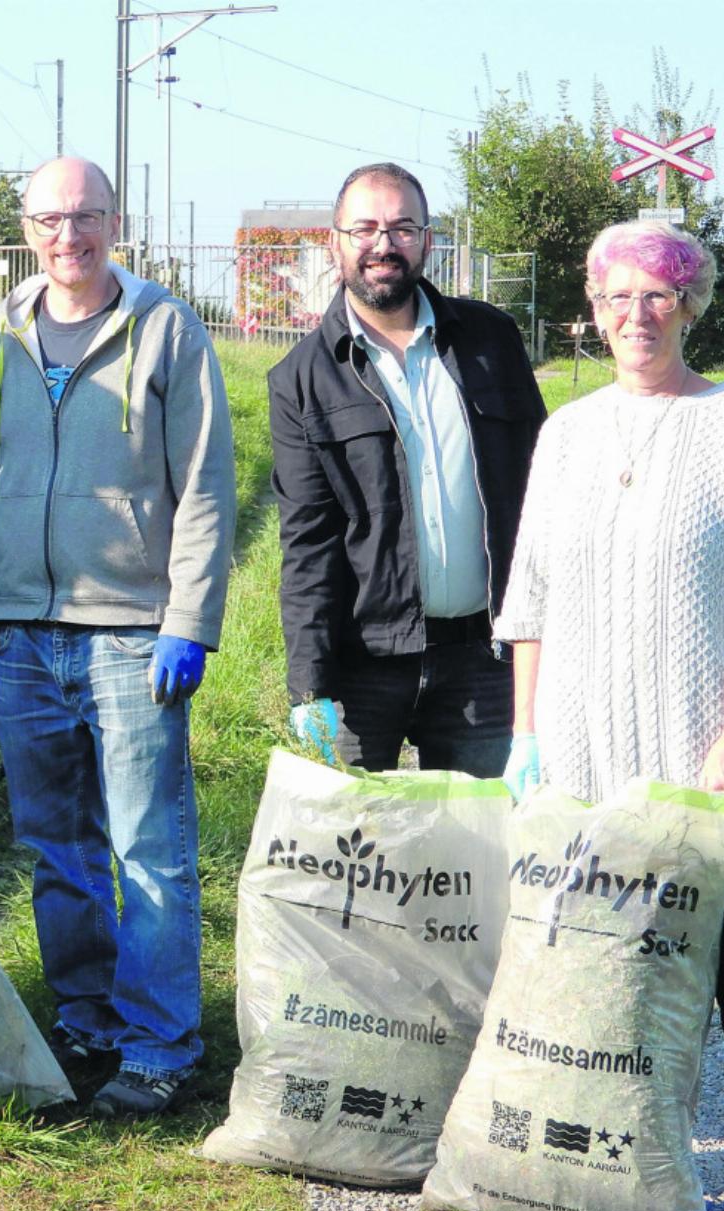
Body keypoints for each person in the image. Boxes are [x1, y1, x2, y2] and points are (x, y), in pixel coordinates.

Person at [496, 219, 724, 1211]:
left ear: (690, 305)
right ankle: (605, 1177)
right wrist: (525, 736)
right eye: (615, 297)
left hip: (703, 760)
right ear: (590, 311)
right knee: (600, 970)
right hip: (585, 751)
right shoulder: (568, 435)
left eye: (657, 295)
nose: (635, 315)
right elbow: (532, 598)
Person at [0, 156, 234, 1117]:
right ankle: (86, 1015)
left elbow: (204, 483)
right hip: (25, 635)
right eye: (47, 219)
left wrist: (190, 620)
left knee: (147, 845)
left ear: (116, 221)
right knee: (54, 845)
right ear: (25, 229)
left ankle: (162, 1042)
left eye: (85, 217)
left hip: (132, 636)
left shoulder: (165, 327)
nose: (66, 235)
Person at [269, 162, 545, 777]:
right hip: (365, 672)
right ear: (335, 240)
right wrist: (310, 684)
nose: (383, 245)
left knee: (482, 859)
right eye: (364, 228)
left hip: (486, 661)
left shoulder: (490, 341)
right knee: (364, 864)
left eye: (402, 227)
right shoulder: (300, 378)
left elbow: (540, 495)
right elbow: (307, 542)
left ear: (426, 239)